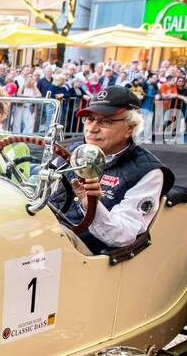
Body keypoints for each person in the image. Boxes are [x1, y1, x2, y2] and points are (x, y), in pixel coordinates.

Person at [49, 86, 171, 255]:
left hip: (88, 254)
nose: (92, 128)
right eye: (90, 119)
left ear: (130, 128)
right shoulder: (71, 151)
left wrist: (90, 204)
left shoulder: (148, 172)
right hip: (49, 236)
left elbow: (124, 236)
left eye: (106, 121)